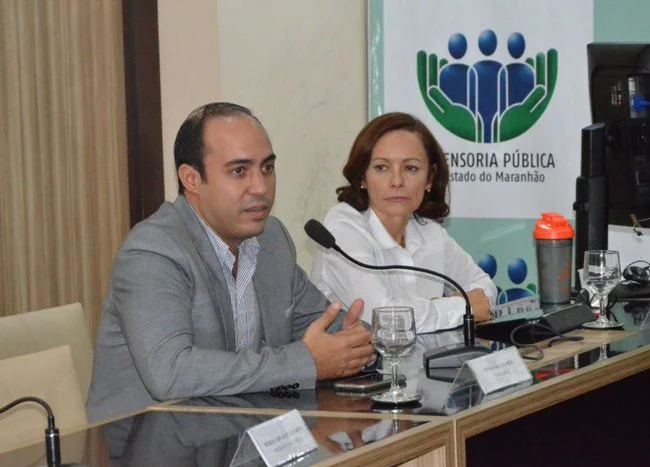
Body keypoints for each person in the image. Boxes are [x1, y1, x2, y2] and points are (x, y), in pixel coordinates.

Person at [86, 102, 374, 422]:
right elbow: (171, 373)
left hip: (240, 432)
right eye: (239, 171)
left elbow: (323, 324)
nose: (261, 188)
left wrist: (356, 345)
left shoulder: (272, 240)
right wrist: (306, 362)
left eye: (267, 168)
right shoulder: (153, 251)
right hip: (151, 443)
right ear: (191, 178)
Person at [310, 112, 497, 333]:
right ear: (362, 178)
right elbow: (383, 318)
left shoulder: (428, 231)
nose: (397, 181)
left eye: (411, 168)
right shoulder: (342, 229)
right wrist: (460, 307)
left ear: (429, 179)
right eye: (381, 168)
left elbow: (484, 288)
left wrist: (444, 308)